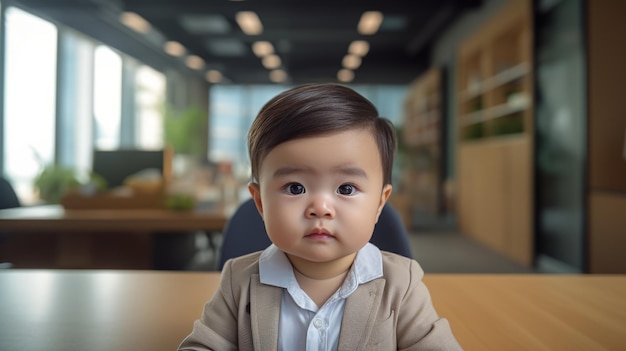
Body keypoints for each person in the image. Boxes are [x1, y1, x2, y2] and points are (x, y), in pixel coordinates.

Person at [178, 83, 462, 350]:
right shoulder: (238, 281)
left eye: (346, 188)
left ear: (379, 203)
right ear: (261, 202)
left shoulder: (402, 284)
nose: (320, 208)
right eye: (295, 187)